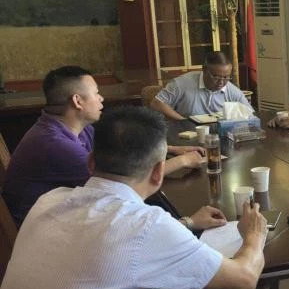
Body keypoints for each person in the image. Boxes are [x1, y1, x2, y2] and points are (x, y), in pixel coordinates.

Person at [0, 106, 268, 289]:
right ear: (159, 172)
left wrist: (188, 223)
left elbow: (113, 239)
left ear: (90, 162)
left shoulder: (48, 201)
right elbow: (245, 278)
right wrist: (254, 235)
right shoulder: (147, 225)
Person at [2, 66, 204, 225]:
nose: (101, 98)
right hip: (47, 227)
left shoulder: (75, 127)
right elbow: (125, 181)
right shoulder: (56, 145)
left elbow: (120, 151)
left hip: (68, 210)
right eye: (96, 93)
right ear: (77, 101)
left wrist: (173, 149)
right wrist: (183, 161)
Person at [151, 51, 252, 120]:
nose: (221, 82)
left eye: (226, 77)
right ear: (204, 69)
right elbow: (156, 103)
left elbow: (251, 114)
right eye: (215, 77)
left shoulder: (231, 90)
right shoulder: (182, 83)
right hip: (185, 133)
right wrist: (183, 121)